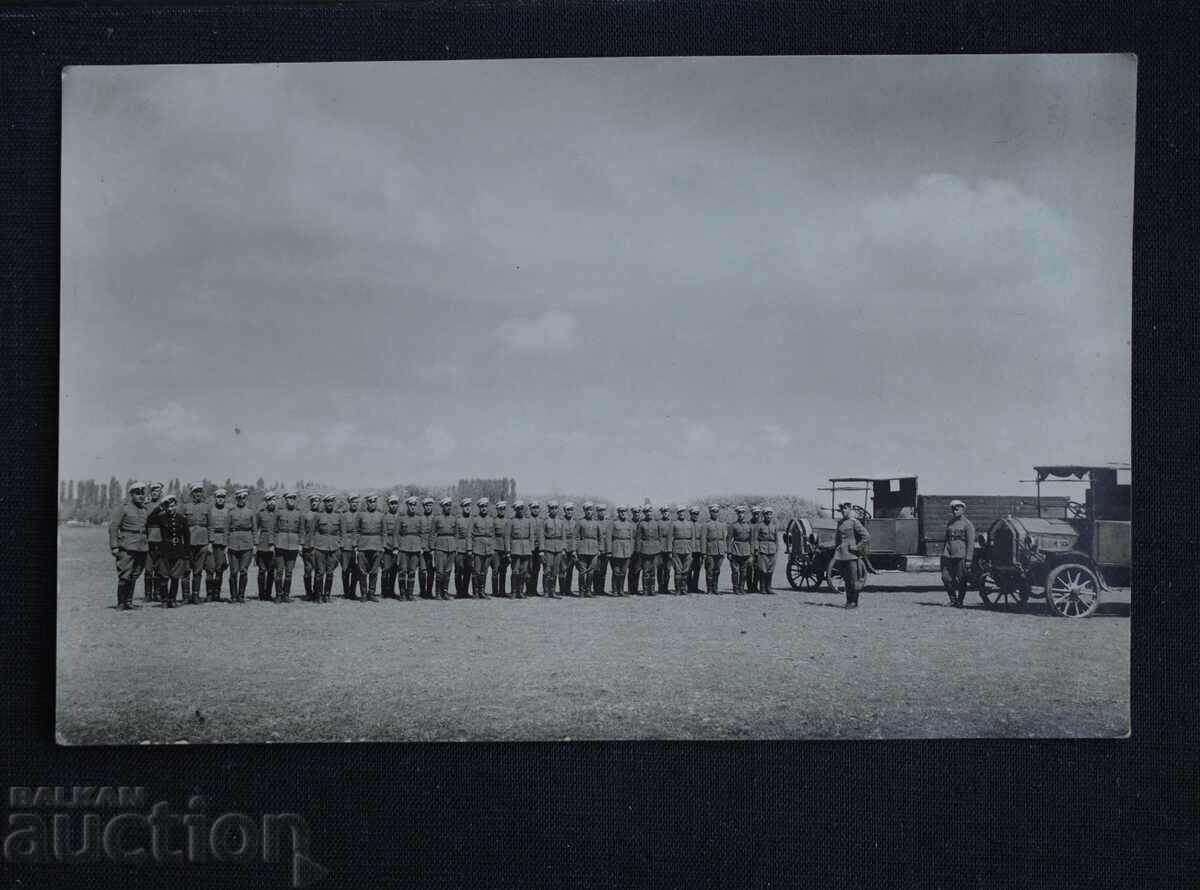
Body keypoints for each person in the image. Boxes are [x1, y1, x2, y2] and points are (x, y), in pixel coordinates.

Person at [107, 481, 149, 610]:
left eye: (142, 493)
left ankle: (129, 602)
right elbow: (113, 527)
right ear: (131, 494)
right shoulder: (123, 508)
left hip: (142, 546)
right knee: (125, 575)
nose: (141, 496)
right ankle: (121, 603)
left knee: (135, 574)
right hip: (127, 546)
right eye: (138, 493)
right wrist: (114, 546)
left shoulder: (144, 509)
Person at [146, 494, 190, 607]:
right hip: (165, 549)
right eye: (168, 506)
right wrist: (160, 507)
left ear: (176, 506)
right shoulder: (161, 518)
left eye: (172, 506)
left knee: (175, 577)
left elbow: (187, 536)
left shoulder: (182, 519)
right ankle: (164, 600)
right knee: (164, 576)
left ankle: (172, 599)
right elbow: (149, 520)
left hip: (178, 550)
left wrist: (186, 553)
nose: (171, 509)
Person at [833, 501, 871, 608]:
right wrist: (837, 550)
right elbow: (837, 538)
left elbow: (866, 537)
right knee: (846, 580)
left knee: (854, 581)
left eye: (845, 509)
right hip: (842, 556)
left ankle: (854, 602)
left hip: (852, 556)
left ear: (849, 509)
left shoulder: (854, 522)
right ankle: (849, 601)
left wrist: (856, 548)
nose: (843, 511)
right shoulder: (840, 523)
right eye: (841, 509)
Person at [941, 500, 976, 607]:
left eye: (957, 509)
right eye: (953, 509)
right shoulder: (950, 523)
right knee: (945, 577)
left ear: (963, 510)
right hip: (948, 554)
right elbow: (946, 539)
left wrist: (969, 559)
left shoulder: (967, 524)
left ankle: (960, 601)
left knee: (962, 579)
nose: (954, 511)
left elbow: (971, 543)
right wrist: (943, 552)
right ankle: (952, 599)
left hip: (961, 555)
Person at [181, 483, 210, 605]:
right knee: (186, 570)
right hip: (188, 542)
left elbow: (211, 525)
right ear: (192, 494)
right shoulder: (185, 506)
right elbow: (180, 525)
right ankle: (186, 597)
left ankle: (196, 596)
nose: (198, 494)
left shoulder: (207, 507)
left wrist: (210, 542)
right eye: (195, 492)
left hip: (202, 542)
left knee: (198, 571)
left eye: (200, 492)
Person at [309, 494, 342, 603]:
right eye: (327, 502)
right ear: (324, 503)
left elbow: (343, 532)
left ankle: (327, 595)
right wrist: (313, 546)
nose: (330, 504)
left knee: (330, 572)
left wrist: (340, 545)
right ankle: (318, 595)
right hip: (320, 548)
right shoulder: (318, 516)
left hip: (334, 548)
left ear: (334, 503)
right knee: (319, 572)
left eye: (331, 501)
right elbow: (312, 531)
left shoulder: (338, 516)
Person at [273, 491, 305, 602]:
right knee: (279, 571)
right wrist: (273, 544)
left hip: (293, 545)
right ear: (285, 499)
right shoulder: (279, 511)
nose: (291, 499)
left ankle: (286, 595)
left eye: (293, 498)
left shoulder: (299, 513)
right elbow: (274, 529)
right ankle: (278, 594)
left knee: (289, 571)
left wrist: (301, 544)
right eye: (289, 498)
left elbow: (301, 529)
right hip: (280, 544)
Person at [354, 494, 386, 602]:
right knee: (362, 571)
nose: (372, 504)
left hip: (377, 546)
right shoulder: (361, 515)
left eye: (374, 502)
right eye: (370, 502)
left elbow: (384, 532)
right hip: (363, 546)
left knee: (374, 571)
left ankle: (371, 593)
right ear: (367, 503)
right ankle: (363, 593)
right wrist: (356, 545)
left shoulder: (381, 515)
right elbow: (356, 531)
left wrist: (382, 546)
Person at [226, 489, 256, 603]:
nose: (242, 500)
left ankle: (241, 595)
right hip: (233, 543)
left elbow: (254, 529)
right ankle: (233, 595)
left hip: (247, 543)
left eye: (244, 498)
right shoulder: (231, 512)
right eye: (239, 498)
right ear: (236, 499)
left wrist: (255, 545)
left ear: (246, 499)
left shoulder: (251, 512)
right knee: (233, 571)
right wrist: (226, 544)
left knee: (243, 570)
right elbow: (226, 529)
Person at [395, 496, 424, 601]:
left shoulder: (419, 518)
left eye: (414, 505)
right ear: (407, 505)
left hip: (415, 548)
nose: (412, 507)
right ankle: (402, 593)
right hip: (403, 547)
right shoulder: (401, 518)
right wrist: (396, 547)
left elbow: (422, 533)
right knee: (402, 571)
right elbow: (396, 533)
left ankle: (410, 594)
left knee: (412, 571)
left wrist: (421, 546)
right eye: (410, 505)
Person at [430, 497, 457, 600]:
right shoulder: (437, 518)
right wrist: (432, 548)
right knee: (440, 571)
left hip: (451, 547)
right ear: (442, 506)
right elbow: (432, 534)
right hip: (440, 547)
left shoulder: (454, 518)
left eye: (449, 505)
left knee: (448, 571)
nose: (448, 507)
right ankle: (437, 592)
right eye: (446, 505)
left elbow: (456, 534)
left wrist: (456, 547)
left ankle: (445, 592)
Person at [206, 488, 231, 601]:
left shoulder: (227, 511)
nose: (220, 499)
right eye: (218, 497)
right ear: (215, 498)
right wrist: (210, 542)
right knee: (210, 568)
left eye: (222, 497)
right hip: (212, 542)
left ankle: (217, 593)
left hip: (222, 543)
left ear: (224, 499)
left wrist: (226, 544)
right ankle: (209, 593)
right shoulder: (211, 510)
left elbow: (227, 529)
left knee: (219, 569)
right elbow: (209, 527)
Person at [506, 501, 534, 598]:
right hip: (515, 548)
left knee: (524, 571)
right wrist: (508, 551)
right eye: (518, 509)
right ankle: (513, 591)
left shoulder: (528, 521)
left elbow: (531, 537)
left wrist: (531, 549)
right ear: (515, 510)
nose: (521, 511)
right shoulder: (511, 521)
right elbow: (507, 537)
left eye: (522, 508)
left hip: (526, 549)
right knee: (515, 571)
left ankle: (521, 591)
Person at [574, 502, 602, 597]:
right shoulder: (580, 522)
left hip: (594, 549)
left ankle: (588, 590)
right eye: (587, 510)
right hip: (582, 549)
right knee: (582, 571)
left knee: (591, 571)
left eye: (591, 510)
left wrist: (600, 549)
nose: (589, 512)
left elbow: (600, 537)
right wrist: (575, 550)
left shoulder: (596, 523)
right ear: (584, 511)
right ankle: (581, 590)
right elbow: (576, 537)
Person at [254, 491, 278, 600]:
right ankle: (261, 594)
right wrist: (255, 545)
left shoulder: (278, 514)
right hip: (262, 546)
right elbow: (256, 529)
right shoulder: (260, 513)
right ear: (266, 502)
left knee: (271, 570)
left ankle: (268, 594)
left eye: (273, 499)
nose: (271, 502)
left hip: (274, 545)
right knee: (262, 570)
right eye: (269, 500)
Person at [539, 501, 566, 598]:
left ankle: (553, 591)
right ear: (549, 509)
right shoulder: (545, 521)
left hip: (558, 548)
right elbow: (541, 536)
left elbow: (563, 536)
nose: (554, 510)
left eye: (556, 508)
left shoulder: (561, 522)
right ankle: (546, 591)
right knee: (547, 570)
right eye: (552, 508)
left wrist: (563, 548)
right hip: (548, 548)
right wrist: (541, 550)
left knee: (555, 570)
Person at [469, 498, 494, 598]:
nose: (484, 508)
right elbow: (469, 535)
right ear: (479, 508)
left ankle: (482, 591)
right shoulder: (475, 519)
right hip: (478, 548)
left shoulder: (491, 519)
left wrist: (493, 548)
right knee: (476, 571)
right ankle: (475, 592)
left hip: (488, 548)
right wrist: (469, 549)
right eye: (482, 506)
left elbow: (494, 536)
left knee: (485, 571)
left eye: (485, 506)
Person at [144, 482, 165, 601]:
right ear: (151, 492)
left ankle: (157, 593)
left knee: (158, 569)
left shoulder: (165, 505)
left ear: (161, 492)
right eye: (153, 491)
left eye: (157, 491)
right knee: (148, 569)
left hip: (161, 540)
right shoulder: (146, 505)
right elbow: (146, 520)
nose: (155, 493)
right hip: (149, 540)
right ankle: (147, 594)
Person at [607, 505, 634, 596]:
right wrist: (609, 551)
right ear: (618, 513)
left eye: (624, 512)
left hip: (626, 549)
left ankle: (621, 590)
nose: (623, 513)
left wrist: (631, 550)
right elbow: (608, 537)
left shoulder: (628, 523)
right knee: (616, 571)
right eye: (621, 512)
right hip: (616, 549)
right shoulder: (613, 523)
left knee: (623, 571)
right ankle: (615, 590)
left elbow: (631, 538)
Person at [339, 494, 362, 599]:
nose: (355, 504)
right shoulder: (344, 515)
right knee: (345, 570)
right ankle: (346, 592)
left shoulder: (360, 515)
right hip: (346, 546)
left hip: (358, 546)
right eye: (353, 502)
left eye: (356, 502)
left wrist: (359, 544)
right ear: (349, 503)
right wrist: (342, 545)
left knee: (356, 570)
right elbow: (342, 531)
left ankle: (353, 592)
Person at [701, 503, 728, 594]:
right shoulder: (706, 524)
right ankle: (709, 589)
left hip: (720, 550)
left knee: (717, 570)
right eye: (713, 512)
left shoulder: (722, 524)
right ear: (710, 512)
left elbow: (724, 538)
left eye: (716, 512)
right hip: (710, 549)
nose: (715, 513)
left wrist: (724, 550)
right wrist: (704, 552)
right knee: (709, 570)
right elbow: (703, 539)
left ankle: (715, 588)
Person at [637, 505, 663, 595]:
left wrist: (659, 549)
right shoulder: (641, 524)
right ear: (644, 513)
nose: (649, 513)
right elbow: (638, 538)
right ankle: (645, 590)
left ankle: (652, 590)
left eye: (650, 511)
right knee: (645, 571)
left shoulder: (657, 523)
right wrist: (639, 550)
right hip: (645, 549)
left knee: (653, 571)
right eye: (647, 512)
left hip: (655, 549)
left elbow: (660, 537)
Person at [753, 506, 780, 594]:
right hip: (762, 549)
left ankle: (769, 587)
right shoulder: (759, 526)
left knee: (770, 569)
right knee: (762, 570)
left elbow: (776, 539)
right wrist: (756, 549)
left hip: (772, 549)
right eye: (767, 515)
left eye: (770, 514)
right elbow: (756, 538)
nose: (768, 516)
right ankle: (762, 588)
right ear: (764, 516)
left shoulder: (774, 526)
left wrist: (777, 549)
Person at [727, 505, 753, 593]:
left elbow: (751, 540)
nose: (741, 515)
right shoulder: (733, 525)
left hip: (746, 550)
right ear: (737, 514)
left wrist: (751, 552)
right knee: (735, 571)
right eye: (739, 513)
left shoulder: (748, 526)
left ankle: (741, 588)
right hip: (736, 550)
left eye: (742, 513)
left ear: (744, 514)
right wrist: (729, 552)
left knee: (744, 571)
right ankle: (735, 588)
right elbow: (729, 539)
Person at [669, 505, 694, 595]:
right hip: (677, 548)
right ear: (677, 514)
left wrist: (692, 550)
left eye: (683, 512)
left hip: (688, 548)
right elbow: (670, 537)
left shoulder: (690, 524)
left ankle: (684, 588)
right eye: (680, 512)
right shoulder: (674, 524)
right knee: (678, 570)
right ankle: (678, 589)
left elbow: (693, 538)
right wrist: (670, 550)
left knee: (686, 570)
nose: (682, 514)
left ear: (685, 513)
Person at [380, 495, 402, 598]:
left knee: (394, 570)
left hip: (398, 546)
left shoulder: (401, 517)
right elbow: (383, 532)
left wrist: (398, 546)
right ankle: (384, 591)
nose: (394, 506)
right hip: (387, 545)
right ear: (388, 505)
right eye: (392, 503)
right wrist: (384, 546)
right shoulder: (385, 517)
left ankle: (392, 591)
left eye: (395, 503)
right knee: (385, 569)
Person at [301, 494, 320, 599]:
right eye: (313, 501)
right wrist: (301, 545)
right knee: (307, 570)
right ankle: (308, 593)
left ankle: (317, 593)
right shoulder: (306, 515)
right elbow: (302, 530)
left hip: (320, 546)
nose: (314, 503)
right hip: (307, 546)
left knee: (319, 570)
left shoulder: (322, 515)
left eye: (316, 501)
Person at [454, 498, 474, 598]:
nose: (467, 508)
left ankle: (465, 591)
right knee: (458, 570)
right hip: (460, 547)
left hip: (470, 548)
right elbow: (456, 535)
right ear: (462, 507)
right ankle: (459, 591)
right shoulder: (458, 520)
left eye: (469, 506)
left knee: (468, 570)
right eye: (465, 506)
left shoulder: (473, 519)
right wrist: (456, 549)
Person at [418, 496, 437, 598]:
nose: (428, 507)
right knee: (422, 570)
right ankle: (422, 591)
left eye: (430, 505)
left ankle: (429, 591)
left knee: (431, 570)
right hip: (422, 547)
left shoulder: (435, 518)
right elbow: (418, 533)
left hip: (432, 548)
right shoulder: (420, 518)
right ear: (423, 506)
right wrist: (420, 546)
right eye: (427, 505)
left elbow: (436, 534)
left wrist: (433, 547)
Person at [491, 500, 511, 597]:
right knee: (495, 570)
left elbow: (509, 536)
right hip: (495, 549)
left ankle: (502, 591)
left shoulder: (508, 521)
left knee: (503, 570)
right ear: (497, 510)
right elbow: (492, 535)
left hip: (505, 549)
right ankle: (495, 591)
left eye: (503, 509)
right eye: (500, 509)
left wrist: (508, 550)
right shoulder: (494, 521)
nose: (502, 511)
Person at [561, 502, 579, 595]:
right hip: (563, 548)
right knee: (562, 570)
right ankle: (562, 590)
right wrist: (563, 548)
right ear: (564, 511)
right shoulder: (561, 521)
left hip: (572, 549)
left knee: (570, 570)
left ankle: (568, 589)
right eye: (568, 510)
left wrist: (574, 550)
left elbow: (576, 537)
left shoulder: (575, 522)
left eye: (571, 510)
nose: (569, 512)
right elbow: (561, 536)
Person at [526, 501, 543, 596]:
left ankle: (534, 590)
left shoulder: (541, 521)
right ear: (530, 509)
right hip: (529, 548)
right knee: (529, 568)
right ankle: (528, 590)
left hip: (538, 549)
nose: (536, 510)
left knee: (537, 569)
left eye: (537, 508)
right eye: (534, 508)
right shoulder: (528, 520)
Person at [593, 504, 610, 594]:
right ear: (597, 512)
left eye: (603, 510)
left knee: (603, 570)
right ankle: (596, 589)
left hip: (606, 549)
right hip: (596, 549)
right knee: (596, 570)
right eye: (600, 511)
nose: (602, 512)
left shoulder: (608, 522)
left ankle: (601, 590)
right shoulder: (594, 522)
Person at [746, 505, 763, 592]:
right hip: (749, 549)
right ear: (752, 514)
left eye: (758, 513)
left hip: (760, 549)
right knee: (749, 568)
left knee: (758, 569)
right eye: (755, 514)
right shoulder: (748, 524)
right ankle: (749, 587)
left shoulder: (761, 524)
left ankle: (755, 586)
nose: (756, 515)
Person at [688, 506, 704, 592]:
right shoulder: (688, 524)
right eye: (694, 513)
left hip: (698, 550)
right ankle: (688, 587)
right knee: (688, 569)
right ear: (690, 514)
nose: (696, 515)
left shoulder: (701, 525)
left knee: (697, 569)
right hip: (689, 549)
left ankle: (695, 587)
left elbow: (703, 538)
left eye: (697, 513)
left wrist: (703, 551)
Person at [627, 507, 642, 594]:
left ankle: (635, 589)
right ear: (632, 513)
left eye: (638, 513)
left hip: (639, 549)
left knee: (638, 569)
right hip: (630, 548)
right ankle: (630, 589)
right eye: (635, 513)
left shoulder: (642, 523)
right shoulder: (629, 523)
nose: (636, 514)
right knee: (630, 569)